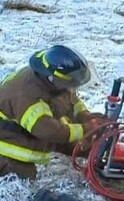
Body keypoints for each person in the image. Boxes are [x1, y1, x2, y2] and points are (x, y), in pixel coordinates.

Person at [0, 45, 105, 180]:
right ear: (54, 79)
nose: (73, 88)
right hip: (5, 133)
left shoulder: (49, 78)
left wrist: (84, 114)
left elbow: (71, 99)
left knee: (71, 136)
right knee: (23, 177)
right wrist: (85, 129)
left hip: (27, 121)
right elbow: (50, 132)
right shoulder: (28, 97)